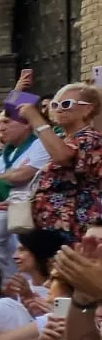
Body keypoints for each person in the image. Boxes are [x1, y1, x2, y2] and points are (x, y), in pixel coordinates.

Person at [19, 83, 102, 239]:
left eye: (66, 104)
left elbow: (63, 157)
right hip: (52, 229)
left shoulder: (91, 138)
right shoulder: (64, 140)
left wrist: (36, 119)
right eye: (55, 105)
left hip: (75, 229)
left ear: (88, 109)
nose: (59, 109)